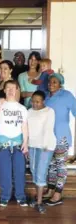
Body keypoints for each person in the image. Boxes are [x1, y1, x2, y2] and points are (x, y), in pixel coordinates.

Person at [0, 80, 28, 207]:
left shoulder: (22, 108)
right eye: (8, 88)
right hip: (3, 144)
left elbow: (24, 126)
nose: (11, 90)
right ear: (4, 90)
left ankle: (21, 196)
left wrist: (26, 142)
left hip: (18, 143)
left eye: (13, 88)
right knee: (4, 171)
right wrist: (1, 105)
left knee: (19, 171)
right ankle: (5, 196)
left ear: (17, 89)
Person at [43, 73, 76, 206]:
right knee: (50, 166)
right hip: (47, 138)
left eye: (55, 82)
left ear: (60, 84)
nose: (51, 84)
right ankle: (50, 190)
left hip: (61, 137)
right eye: (50, 82)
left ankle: (58, 193)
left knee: (60, 165)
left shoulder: (67, 95)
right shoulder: (45, 97)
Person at [28, 91, 56, 213]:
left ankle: (39, 202)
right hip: (32, 145)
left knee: (41, 173)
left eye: (37, 101)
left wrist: (45, 144)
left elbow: (48, 128)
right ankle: (37, 198)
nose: (35, 104)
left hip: (45, 146)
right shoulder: (29, 111)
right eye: (33, 101)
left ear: (43, 101)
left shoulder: (49, 111)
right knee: (34, 171)